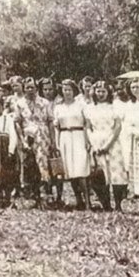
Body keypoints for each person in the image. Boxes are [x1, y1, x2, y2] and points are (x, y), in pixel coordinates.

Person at [84, 81, 127, 211]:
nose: (101, 94)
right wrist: (93, 143)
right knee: (99, 175)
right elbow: (88, 127)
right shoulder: (89, 108)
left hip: (113, 142)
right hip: (96, 142)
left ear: (108, 92)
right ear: (94, 93)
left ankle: (118, 205)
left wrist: (108, 144)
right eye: (98, 91)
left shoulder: (115, 107)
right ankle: (106, 204)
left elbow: (118, 126)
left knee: (116, 174)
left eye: (103, 91)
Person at [17, 77, 56, 208]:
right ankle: (33, 196)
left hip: (42, 136)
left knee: (44, 166)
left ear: (36, 88)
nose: (30, 90)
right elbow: (17, 122)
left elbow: (50, 122)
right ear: (24, 88)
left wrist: (53, 141)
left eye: (32, 87)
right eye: (27, 87)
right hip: (28, 137)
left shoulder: (44, 103)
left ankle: (46, 196)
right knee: (29, 166)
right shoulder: (20, 103)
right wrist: (22, 139)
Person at [53, 79, 91, 210]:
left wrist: (87, 141)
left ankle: (87, 202)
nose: (67, 92)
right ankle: (78, 200)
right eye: (65, 90)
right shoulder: (58, 107)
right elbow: (56, 127)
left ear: (74, 91)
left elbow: (87, 124)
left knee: (81, 169)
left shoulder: (81, 105)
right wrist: (57, 144)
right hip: (65, 137)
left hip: (79, 136)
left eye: (69, 89)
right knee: (70, 171)